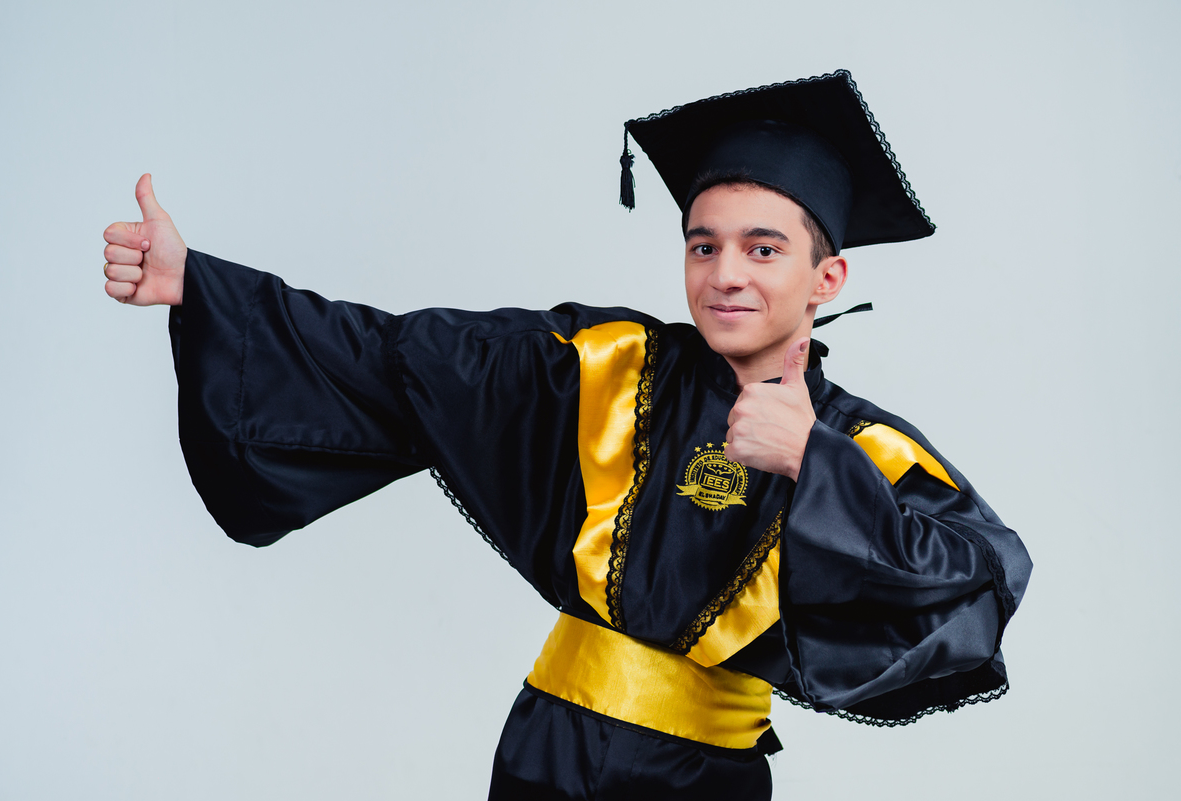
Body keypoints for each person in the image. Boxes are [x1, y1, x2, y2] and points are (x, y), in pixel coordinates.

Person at [101, 71, 1032, 800]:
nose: (724, 274)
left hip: (704, 782)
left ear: (825, 278)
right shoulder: (606, 365)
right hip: (545, 754)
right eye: (702, 244)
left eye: (763, 247)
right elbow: (401, 355)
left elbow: (977, 580)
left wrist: (814, 462)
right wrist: (202, 284)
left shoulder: (863, 447)